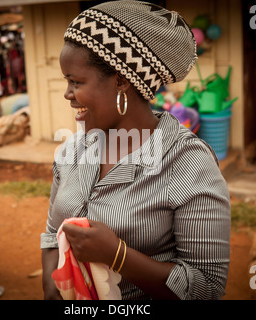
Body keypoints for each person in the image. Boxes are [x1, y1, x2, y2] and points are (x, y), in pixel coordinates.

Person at [41, 1, 231, 300]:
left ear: (121, 80)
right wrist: (53, 285)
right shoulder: (72, 152)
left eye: (76, 82)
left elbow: (207, 288)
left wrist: (118, 256)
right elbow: (53, 234)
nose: (67, 94)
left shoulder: (188, 163)